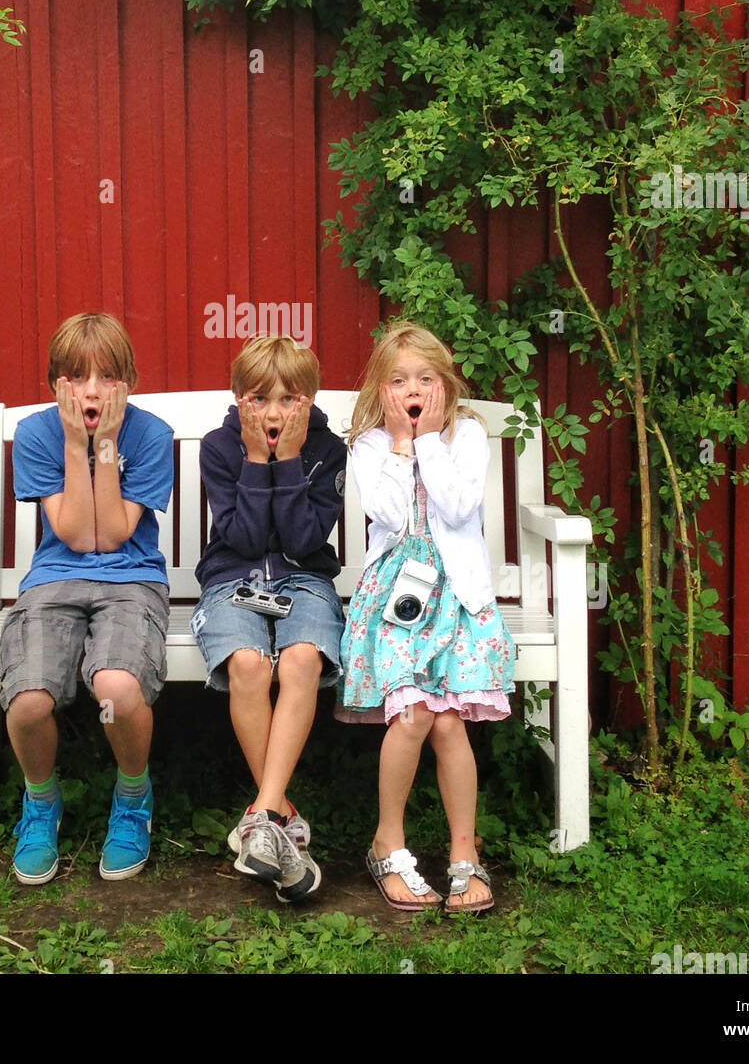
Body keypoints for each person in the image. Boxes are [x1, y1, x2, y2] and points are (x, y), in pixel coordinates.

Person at [337, 321, 513, 914]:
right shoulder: (369, 444)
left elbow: (460, 507)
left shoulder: (465, 436)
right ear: (380, 390)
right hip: (396, 601)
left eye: (425, 378)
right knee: (412, 716)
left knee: (448, 724)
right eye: (399, 380)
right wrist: (400, 445)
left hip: (456, 599)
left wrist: (432, 441)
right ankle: (389, 843)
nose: (413, 390)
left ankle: (464, 855)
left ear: (445, 384)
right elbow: (385, 513)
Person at [0, 313, 174, 885]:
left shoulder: (149, 435)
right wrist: (78, 443)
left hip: (131, 581)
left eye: (107, 375)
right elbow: (76, 536)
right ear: (55, 385)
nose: (92, 390)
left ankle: (131, 799)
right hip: (53, 581)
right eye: (76, 376)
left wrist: (105, 447)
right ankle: (41, 803)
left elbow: (111, 535)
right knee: (27, 701)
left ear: (129, 382)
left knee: (117, 691)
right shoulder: (37, 435)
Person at [193, 336, 348, 902]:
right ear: (239, 400)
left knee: (302, 659)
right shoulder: (219, 447)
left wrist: (288, 460)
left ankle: (260, 819)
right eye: (261, 398)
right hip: (232, 580)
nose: (276, 412)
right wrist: (258, 460)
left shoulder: (328, 449)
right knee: (249, 664)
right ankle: (283, 819)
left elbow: (307, 540)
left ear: (310, 401)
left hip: (304, 579)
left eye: (291, 398)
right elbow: (242, 537)